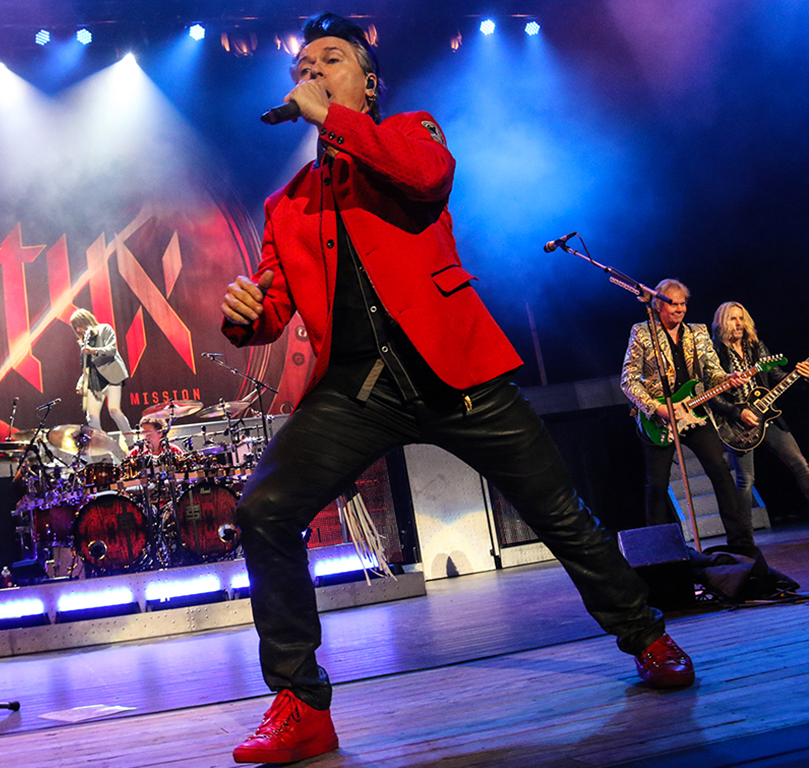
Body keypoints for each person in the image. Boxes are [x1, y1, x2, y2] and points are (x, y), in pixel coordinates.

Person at [220, 13, 695, 765]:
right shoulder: (289, 203)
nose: (309, 71)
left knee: (559, 512)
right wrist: (246, 317)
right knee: (264, 509)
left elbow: (427, 182)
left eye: (330, 60)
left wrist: (338, 122)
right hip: (356, 389)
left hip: (456, 369)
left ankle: (645, 634)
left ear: (368, 87)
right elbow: (276, 304)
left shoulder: (410, 133)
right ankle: (301, 704)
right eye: (301, 64)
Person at [620, 280, 754, 548]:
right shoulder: (642, 332)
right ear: (658, 305)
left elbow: (712, 371)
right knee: (657, 485)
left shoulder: (698, 332)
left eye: (683, 303)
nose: (679, 309)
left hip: (694, 412)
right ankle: (661, 553)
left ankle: (741, 543)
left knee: (720, 470)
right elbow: (628, 380)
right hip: (659, 417)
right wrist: (656, 407)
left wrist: (729, 378)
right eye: (673, 303)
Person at [710, 301, 809, 517]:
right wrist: (738, 413)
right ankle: (743, 536)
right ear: (721, 322)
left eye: (741, 318)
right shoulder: (714, 353)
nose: (739, 323)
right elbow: (712, 397)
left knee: (802, 465)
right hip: (736, 424)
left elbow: (777, 377)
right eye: (733, 318)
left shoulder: (757, 347)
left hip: (767, 416)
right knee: (746, 481)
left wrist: (801, 376)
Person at [69, 309, 131, 436]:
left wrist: (94, 351)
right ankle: (103, 451)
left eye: (79, 326)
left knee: (114, 410)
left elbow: (111, 350)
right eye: (75, 328)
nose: (78, 330)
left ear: (85, 320)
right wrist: (81, 382)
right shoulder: (84, 342)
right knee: (92, 415)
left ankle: (132, 444)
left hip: (112, 376)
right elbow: (87, 366)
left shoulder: (105, 329)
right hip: (94, 380)